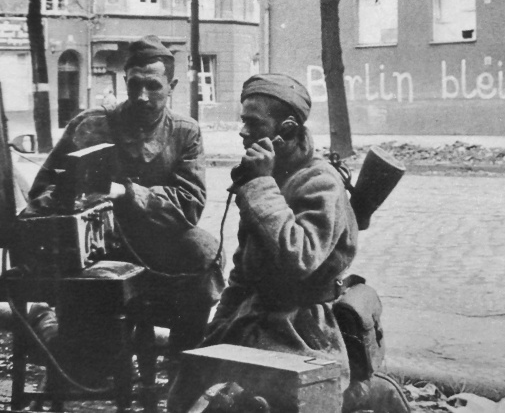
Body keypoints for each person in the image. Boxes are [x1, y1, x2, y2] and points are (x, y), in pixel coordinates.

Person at [26, 35, 225, 366]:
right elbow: (42, 190)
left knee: (205, 252)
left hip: (156, 248)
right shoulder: (92, 124)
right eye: (134, 85)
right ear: (125, 81)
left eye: (153, 86)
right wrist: (71, 195)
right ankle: (47, 322)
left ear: (171, 86)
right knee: (84, 362)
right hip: (96, 250)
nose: (142, 96)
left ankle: (183, 365)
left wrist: (124, 191)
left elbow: (189, 204)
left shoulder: (184, 132)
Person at [167, 73, 360, 412]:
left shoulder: (320, 182)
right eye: (243, 122)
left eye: (254, 123)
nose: (243, 132)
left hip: (301, 330)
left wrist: (260, 184)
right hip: (250, 318)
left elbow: (300, 257)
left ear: (286, 129)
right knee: (186, 395)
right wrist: (217, 329)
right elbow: (242, 273)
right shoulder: (269, 176)